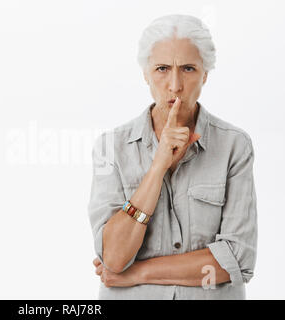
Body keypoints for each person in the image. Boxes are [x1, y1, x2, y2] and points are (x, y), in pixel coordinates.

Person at [87, 14, 257, 299]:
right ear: (145, 73)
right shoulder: (110, 147)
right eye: (162, 68)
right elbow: (113, 258)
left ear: (205, 73)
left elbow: (237, 260)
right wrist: (157, 167)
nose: (175, 85)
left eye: (188, 69)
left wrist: (137, 273)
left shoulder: (234, 146)